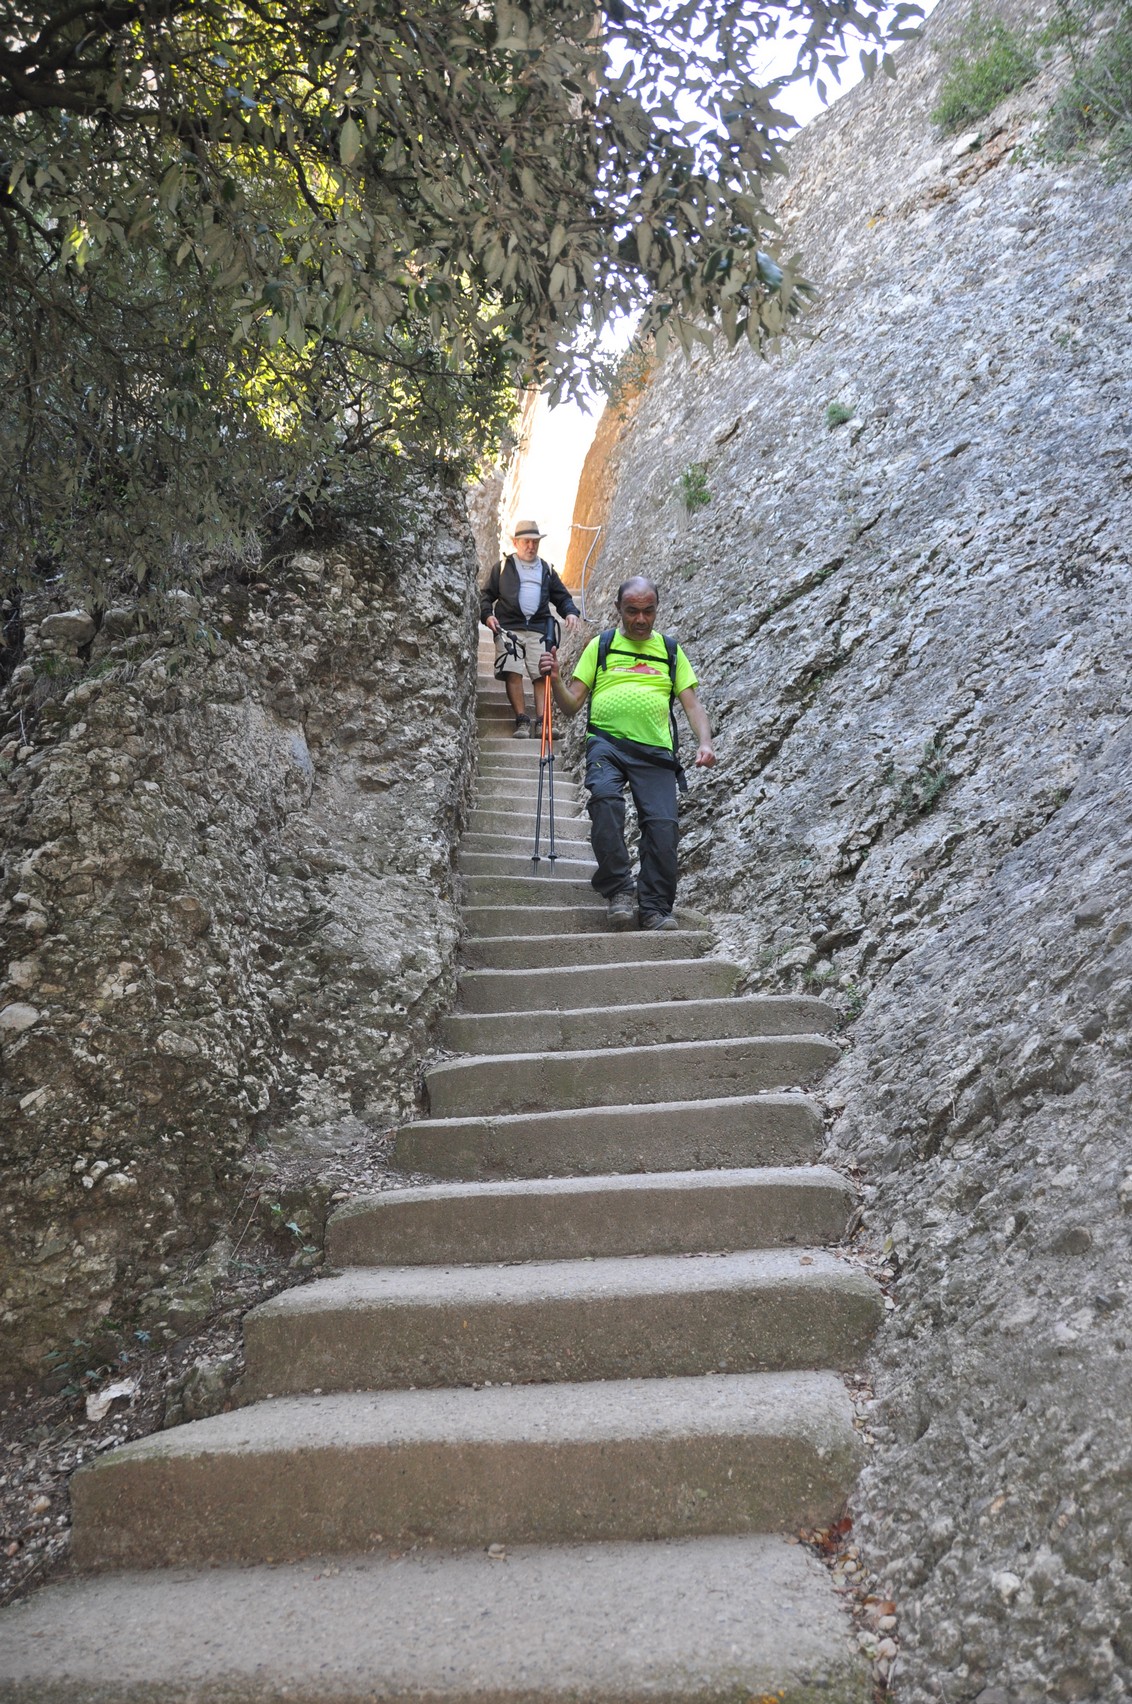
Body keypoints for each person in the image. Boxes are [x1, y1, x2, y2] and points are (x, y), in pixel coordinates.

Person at [540, 576, 715, 931]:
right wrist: (556, 679)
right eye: (632, 611)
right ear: (618, 609)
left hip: (656, 752)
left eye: (648, 611)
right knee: (605, 802)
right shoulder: (601, 646)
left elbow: (693, 705)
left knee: (663, 828)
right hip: (607, 744)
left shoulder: (670, 651)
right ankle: (619, 889)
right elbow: (572, 705)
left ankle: (654, 908)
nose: (641, 619)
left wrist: (705, 742)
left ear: (656, 609)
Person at [480, 521, 580, 737]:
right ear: (516, 542)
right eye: (526, 541)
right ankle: (522, 720)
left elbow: (562, 597)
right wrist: (487, 615)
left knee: (542, 673)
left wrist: (571, 612)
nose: (531, 546)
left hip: (539, 628)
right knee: (513, 671)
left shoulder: (546, 569)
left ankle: (543, 722)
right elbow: (486, 595)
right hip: (509, 628)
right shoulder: (502, 567)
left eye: (535, 542)